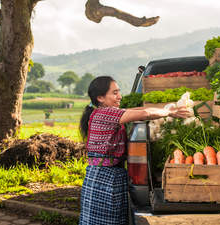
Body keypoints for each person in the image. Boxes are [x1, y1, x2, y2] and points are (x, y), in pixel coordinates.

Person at [78, 76, 191, 225]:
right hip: (103, 177)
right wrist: (169, 113)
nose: (120, 96)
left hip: (106, 174)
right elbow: (144, 114)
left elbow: (137, 110)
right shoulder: (104, 114)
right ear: (100, 98)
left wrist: (165, 109)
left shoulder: (105, 112)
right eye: (114, 93)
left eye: (119, 92)